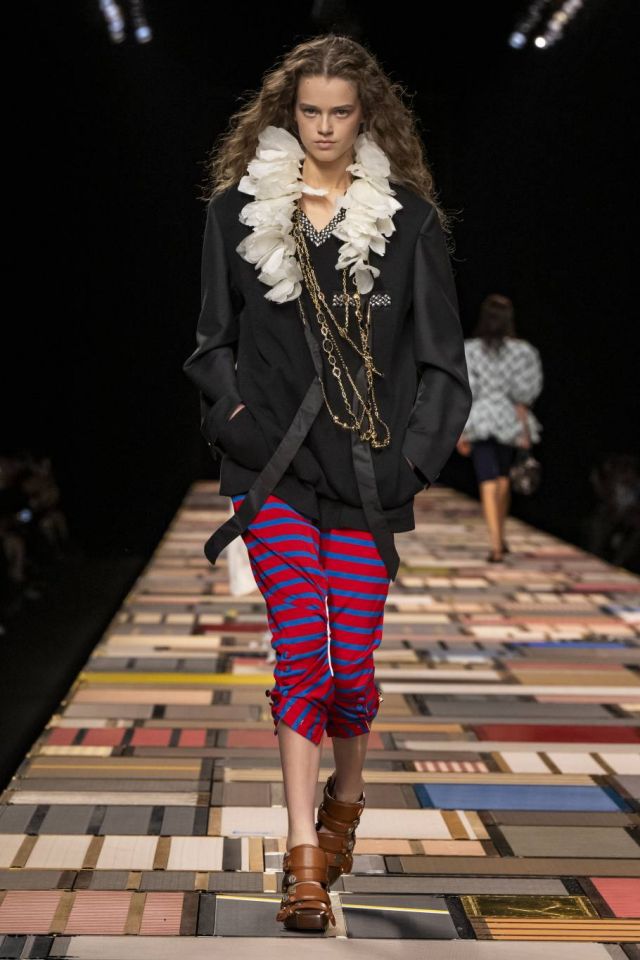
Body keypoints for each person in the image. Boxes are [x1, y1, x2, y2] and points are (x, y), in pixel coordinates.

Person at [183, 33, 472, 931]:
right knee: (302, 650)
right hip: (269, 472)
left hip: (367, 480)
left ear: (365, 116)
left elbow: (444, 365)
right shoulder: (235, 214)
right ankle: (302, 855)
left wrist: (413, 463)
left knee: (353, 667)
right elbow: (210, 345)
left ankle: (346, 800)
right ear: (288, 112)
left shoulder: (408, 222)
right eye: (309, 111)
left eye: (340, 113)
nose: (323, 128)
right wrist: (237, 421)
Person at [456, 294, 543, 562]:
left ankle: (496, 543)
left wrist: (460, 430)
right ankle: (499, 538)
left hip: (479, 417)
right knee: (503, 476)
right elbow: (527, 391)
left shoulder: (470, 350)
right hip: (509, 418)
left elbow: (464, 389)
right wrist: (524, 428)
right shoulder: (523, 351)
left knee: (488, 477)